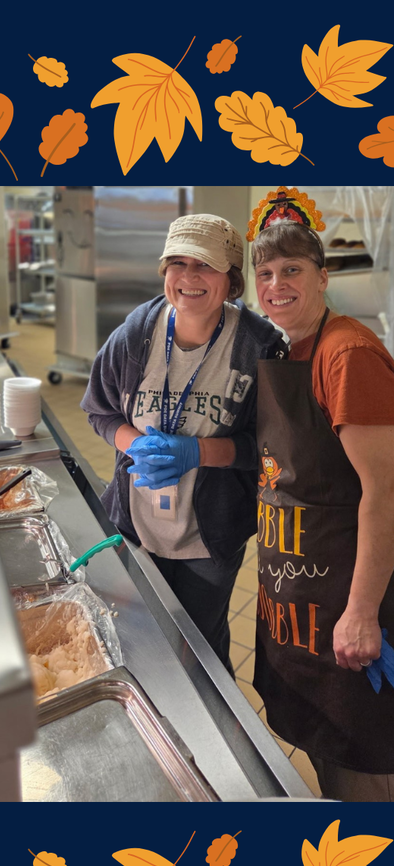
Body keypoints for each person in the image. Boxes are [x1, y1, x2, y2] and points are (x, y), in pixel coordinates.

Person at [81, 214, 285, 673]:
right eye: (178, 263)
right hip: (136, 528)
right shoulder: (137, 335)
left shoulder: (259, 348)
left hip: (209, 539)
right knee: (142, 642)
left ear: (231, 278)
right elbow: (99, 409)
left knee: (201, 652)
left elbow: (272, 450)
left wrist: (199, 453)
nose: (189, 277)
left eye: (205, 266)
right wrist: (135, 445)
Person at [249, 187, 394, 801]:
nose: (277, 285)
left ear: (322, 277)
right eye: (265, 274)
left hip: (344, 604)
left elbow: (384, 493)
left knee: (361, 768)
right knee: (322, 758)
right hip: (296, 605)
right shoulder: (285, 349)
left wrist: (361, 613)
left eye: (292, 270)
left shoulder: (347, 353)